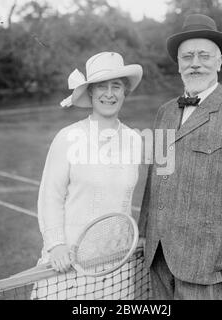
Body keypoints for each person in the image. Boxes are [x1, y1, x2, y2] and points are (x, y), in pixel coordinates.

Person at [138, 14, 222, 300]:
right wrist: (143, 235)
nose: (195, 63)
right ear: (179, 64)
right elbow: (155, 179)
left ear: (219, 62)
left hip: (208, 265)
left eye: (203, 56)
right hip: (159, 258)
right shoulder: (165, 112)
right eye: (187, 57)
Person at [33, 52, 143, 299]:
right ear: (90, 93)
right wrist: (56, 245)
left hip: (116, 264)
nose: (109, 93)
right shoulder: (67, 137)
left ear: (125, 92)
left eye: (116, 86)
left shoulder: (135, 140)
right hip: (69, 262)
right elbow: (51, 196)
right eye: (101, 87)